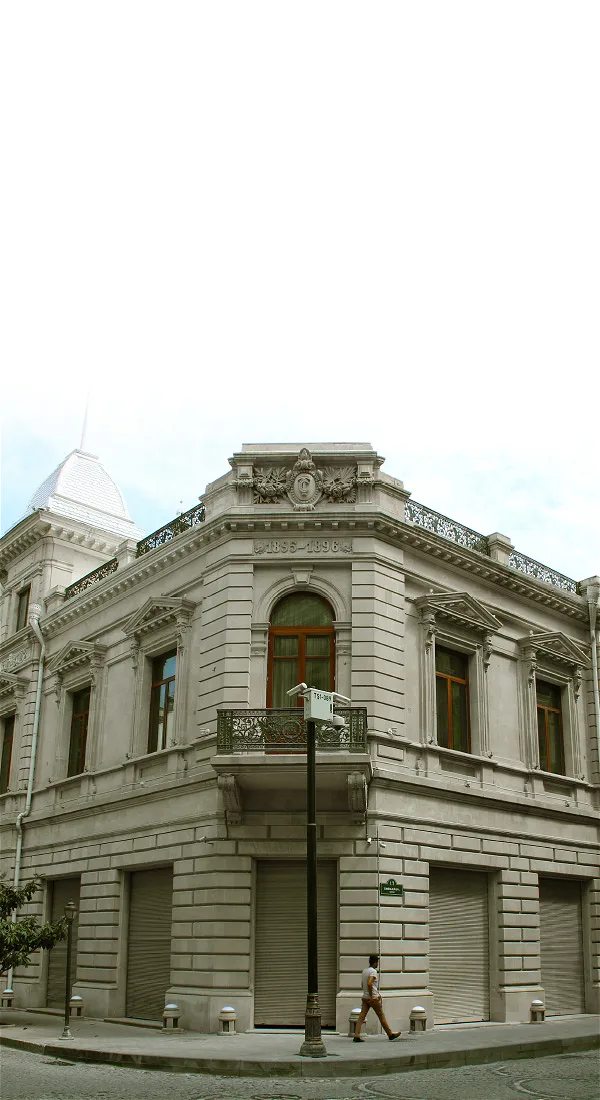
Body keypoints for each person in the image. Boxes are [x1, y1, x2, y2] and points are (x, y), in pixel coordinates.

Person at [353, 954, 401, 1042]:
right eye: (377, 962)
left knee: (361, 1017)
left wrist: (366, 994)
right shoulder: (373, 972)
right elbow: (369, 983)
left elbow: (362, 984)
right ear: (375, 963)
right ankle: (390, 1034)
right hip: (373, 999)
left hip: (365, 998)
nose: (378, 964)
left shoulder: (364, 971)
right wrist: (372, 997)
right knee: (381, 1016)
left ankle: (356, 1035)